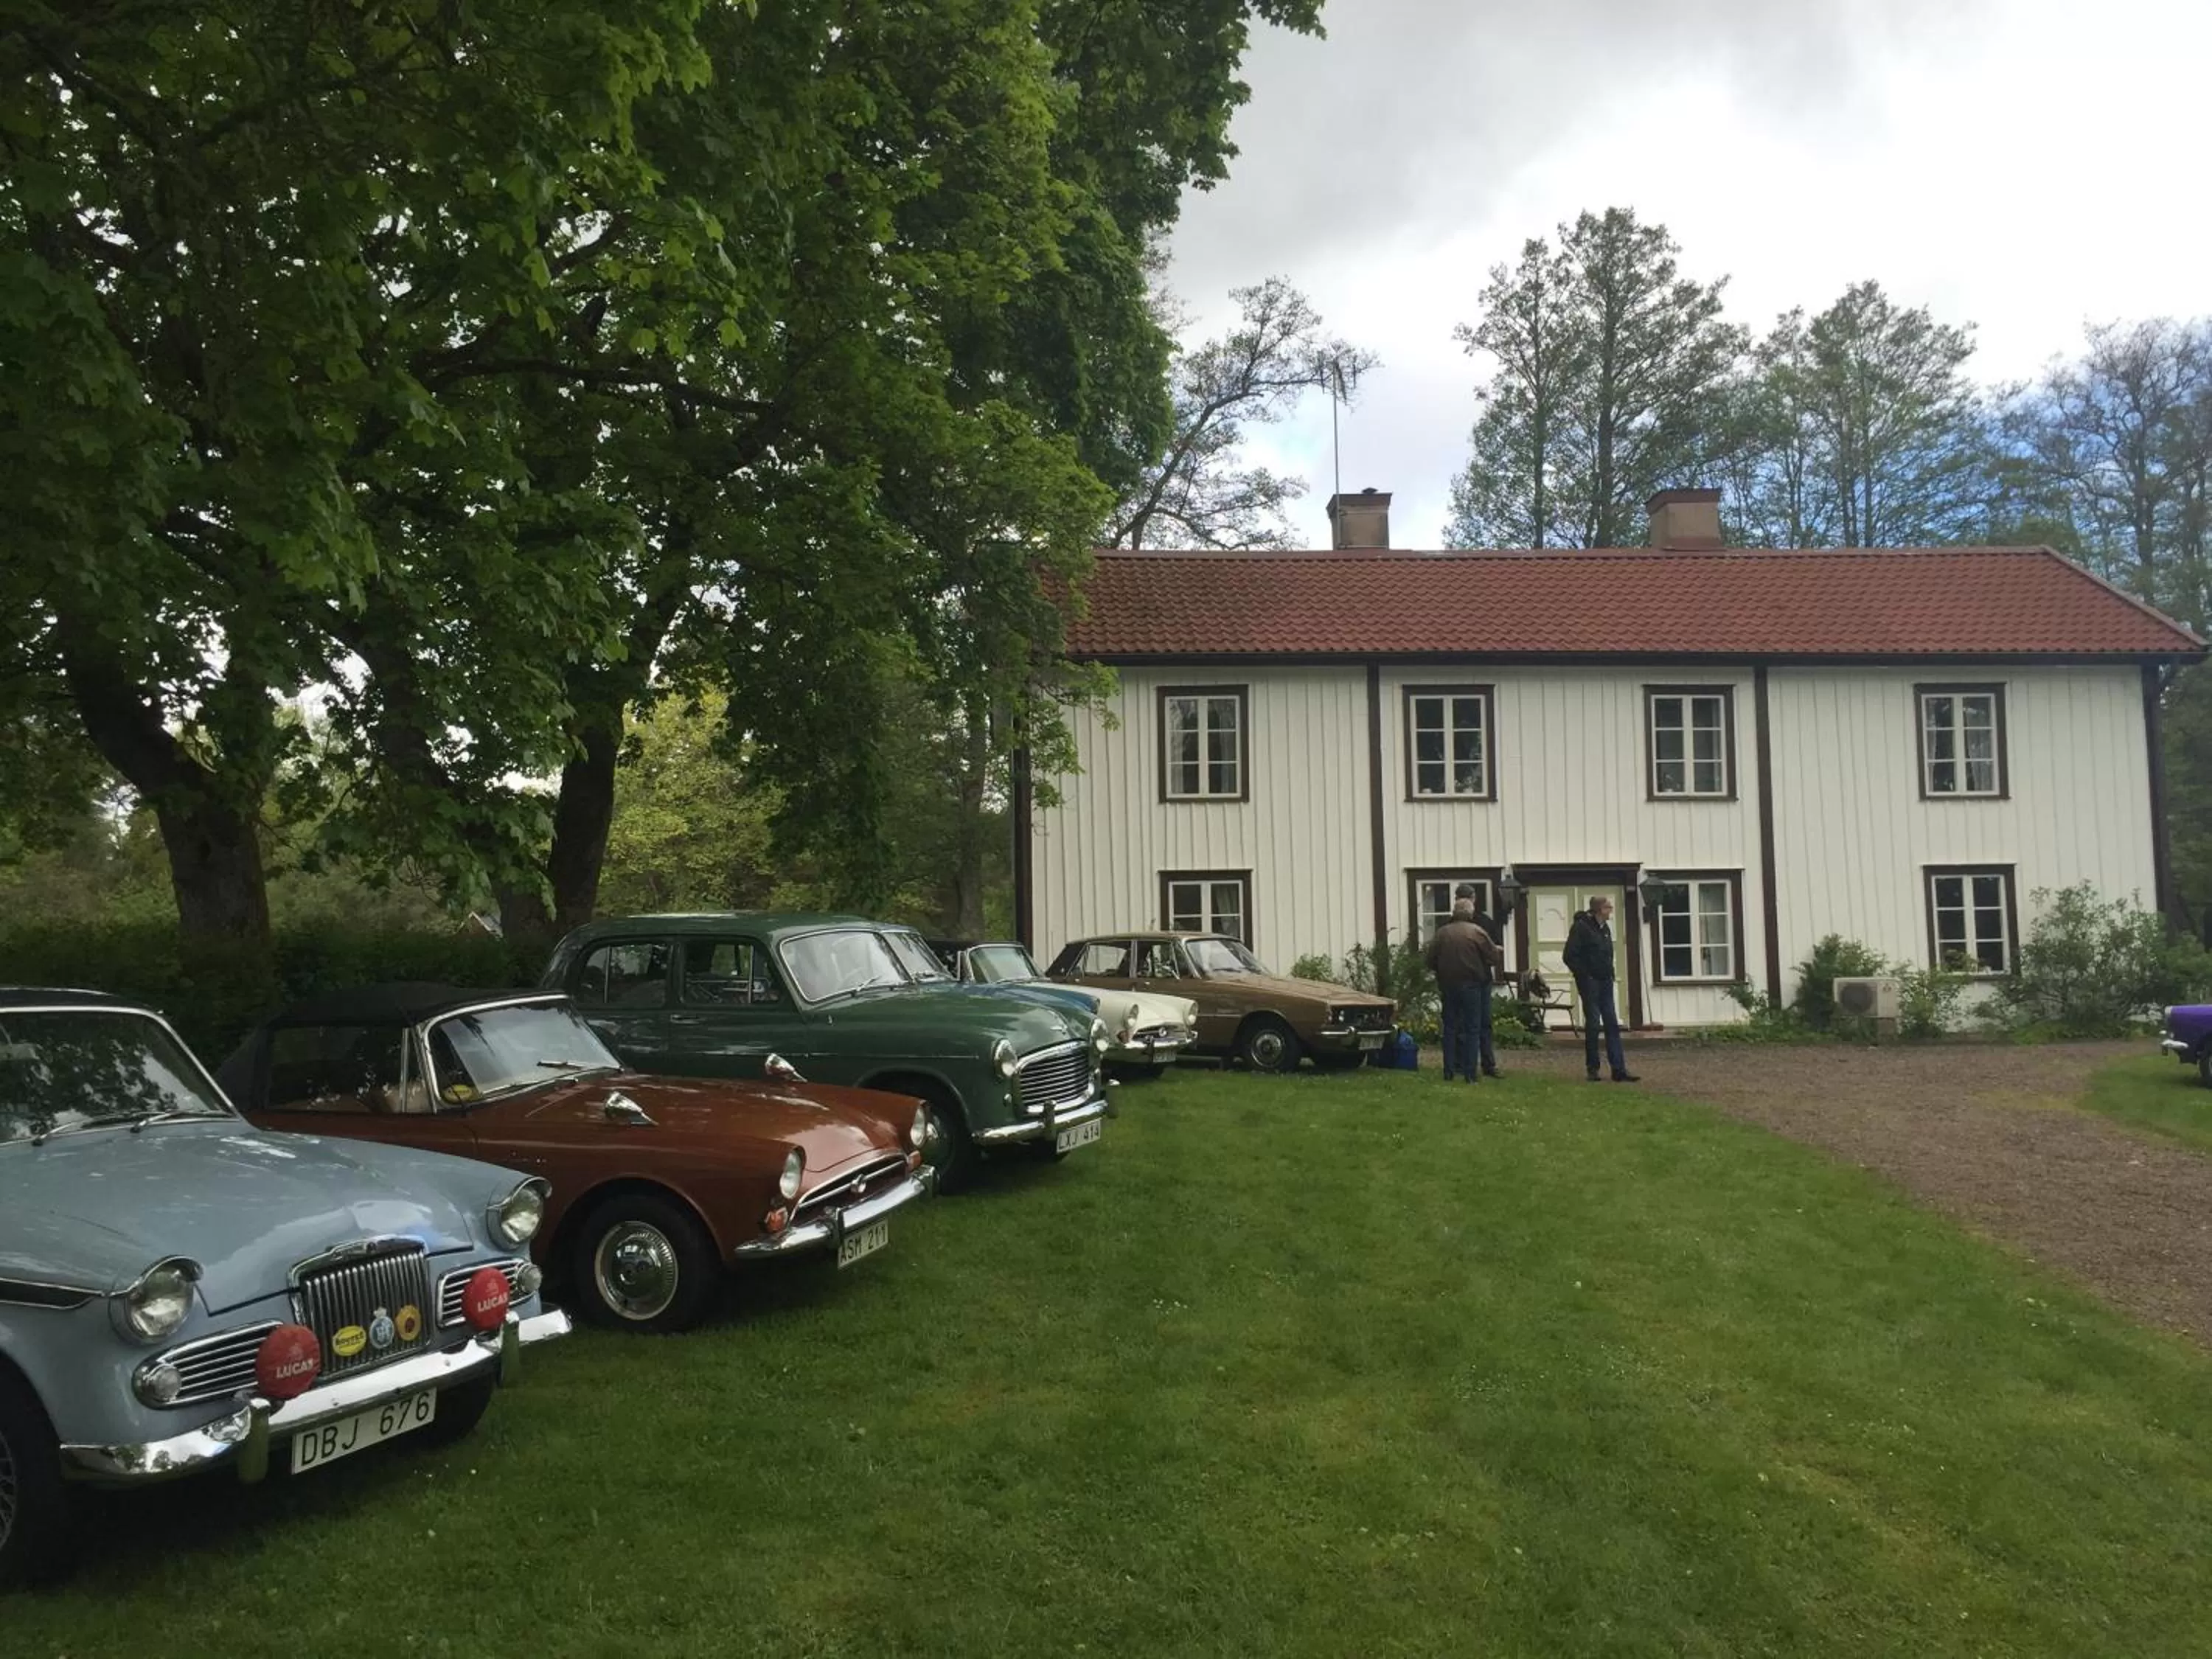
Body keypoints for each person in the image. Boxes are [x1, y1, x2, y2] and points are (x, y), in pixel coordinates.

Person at [1425, 897, 1503, 1085]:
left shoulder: (1442, 933)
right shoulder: (1477, 932)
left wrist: (1441, 970)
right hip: (1472, 985)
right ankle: (1470, 1074)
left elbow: (1429, 960)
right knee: (1472, 1029)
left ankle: (1449, 1071)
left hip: (1448, 985)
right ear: (1470, 913)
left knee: (1450, 1028)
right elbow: (1493, 957)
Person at [1562, 895, 1638, 1084]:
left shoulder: (1605, 929)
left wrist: (1610, 973)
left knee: (1612, 1023)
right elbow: (1569, 956)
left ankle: (1618, 1069)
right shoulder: (1581, 928)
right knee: (1594, 1024)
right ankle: (1593, 1068)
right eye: (1607, 908)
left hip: (1605, 981)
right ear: (1598, 910)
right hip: (1590, 982)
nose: (1611, 910)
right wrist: (1585, 975)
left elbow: (1607, 953)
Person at [1455, 880, 1510, 1077]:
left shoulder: (1449, 925)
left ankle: (1464, 1064)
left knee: (1464, 1024)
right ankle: (1485, 1064)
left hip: (1459, 980)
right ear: (1473, 899)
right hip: (1479, 978)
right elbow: (1497, 951)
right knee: (1480, 1024)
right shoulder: (1483, 922)